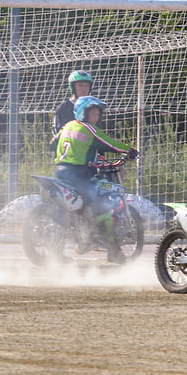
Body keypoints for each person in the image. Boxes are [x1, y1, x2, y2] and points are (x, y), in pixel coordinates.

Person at [52, 96, 139, 263]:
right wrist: (130, 150)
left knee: (79, 206)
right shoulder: (89, 129)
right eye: (92, 113)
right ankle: (110, 250)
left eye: (97, 113)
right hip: (80, 174)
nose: (96, 117)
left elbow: (52, 142)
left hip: (61, 171)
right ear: (82, 113)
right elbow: (110, 144)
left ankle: (83, 238)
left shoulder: (66, 126)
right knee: (102, 206)